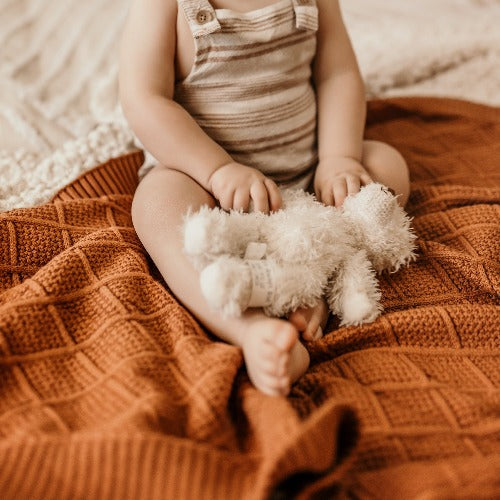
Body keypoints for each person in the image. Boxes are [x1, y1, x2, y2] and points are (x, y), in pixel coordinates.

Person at [119, 0, 410, 396]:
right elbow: (144, 98)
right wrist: (218, 170)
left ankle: (316, 285)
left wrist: (339, 158)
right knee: (156, 203)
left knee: (386, 166)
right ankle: (252, 329)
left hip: (311, 185)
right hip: (207, 186)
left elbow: (337, 75)